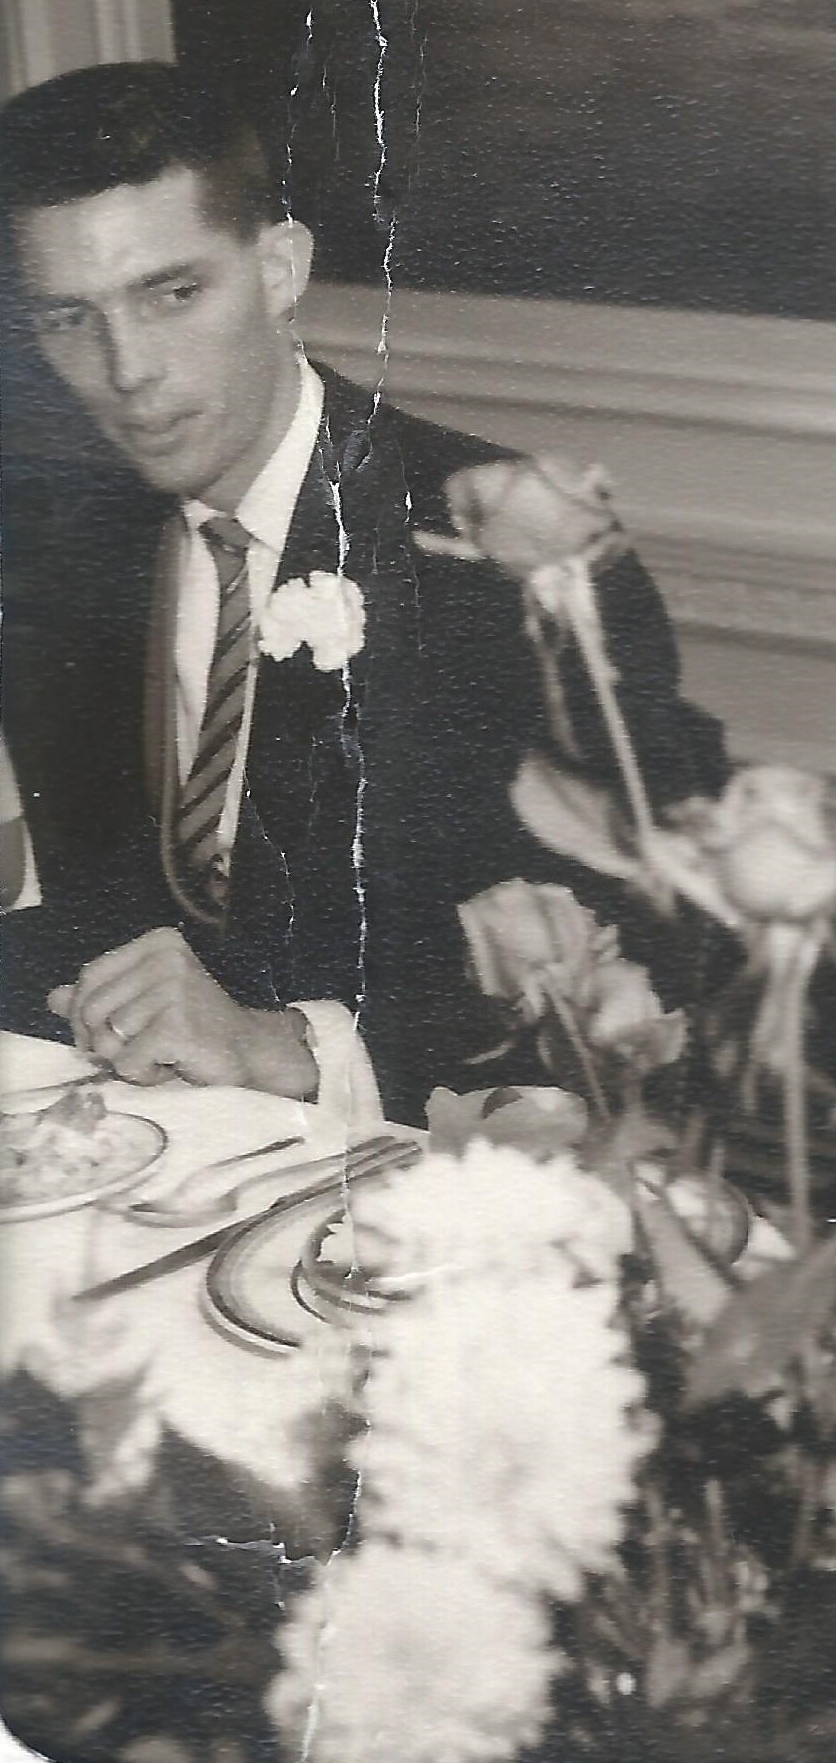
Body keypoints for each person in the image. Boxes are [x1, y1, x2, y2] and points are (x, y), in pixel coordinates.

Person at [0, 61, 725, 1124]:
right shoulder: (60, 544)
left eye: (172, 294)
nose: (129, 371)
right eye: (69, 320)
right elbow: (85, 902)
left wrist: (295, 1047)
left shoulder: (508, 556)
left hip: (424, 1174)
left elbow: (656, 945)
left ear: (280, 267)